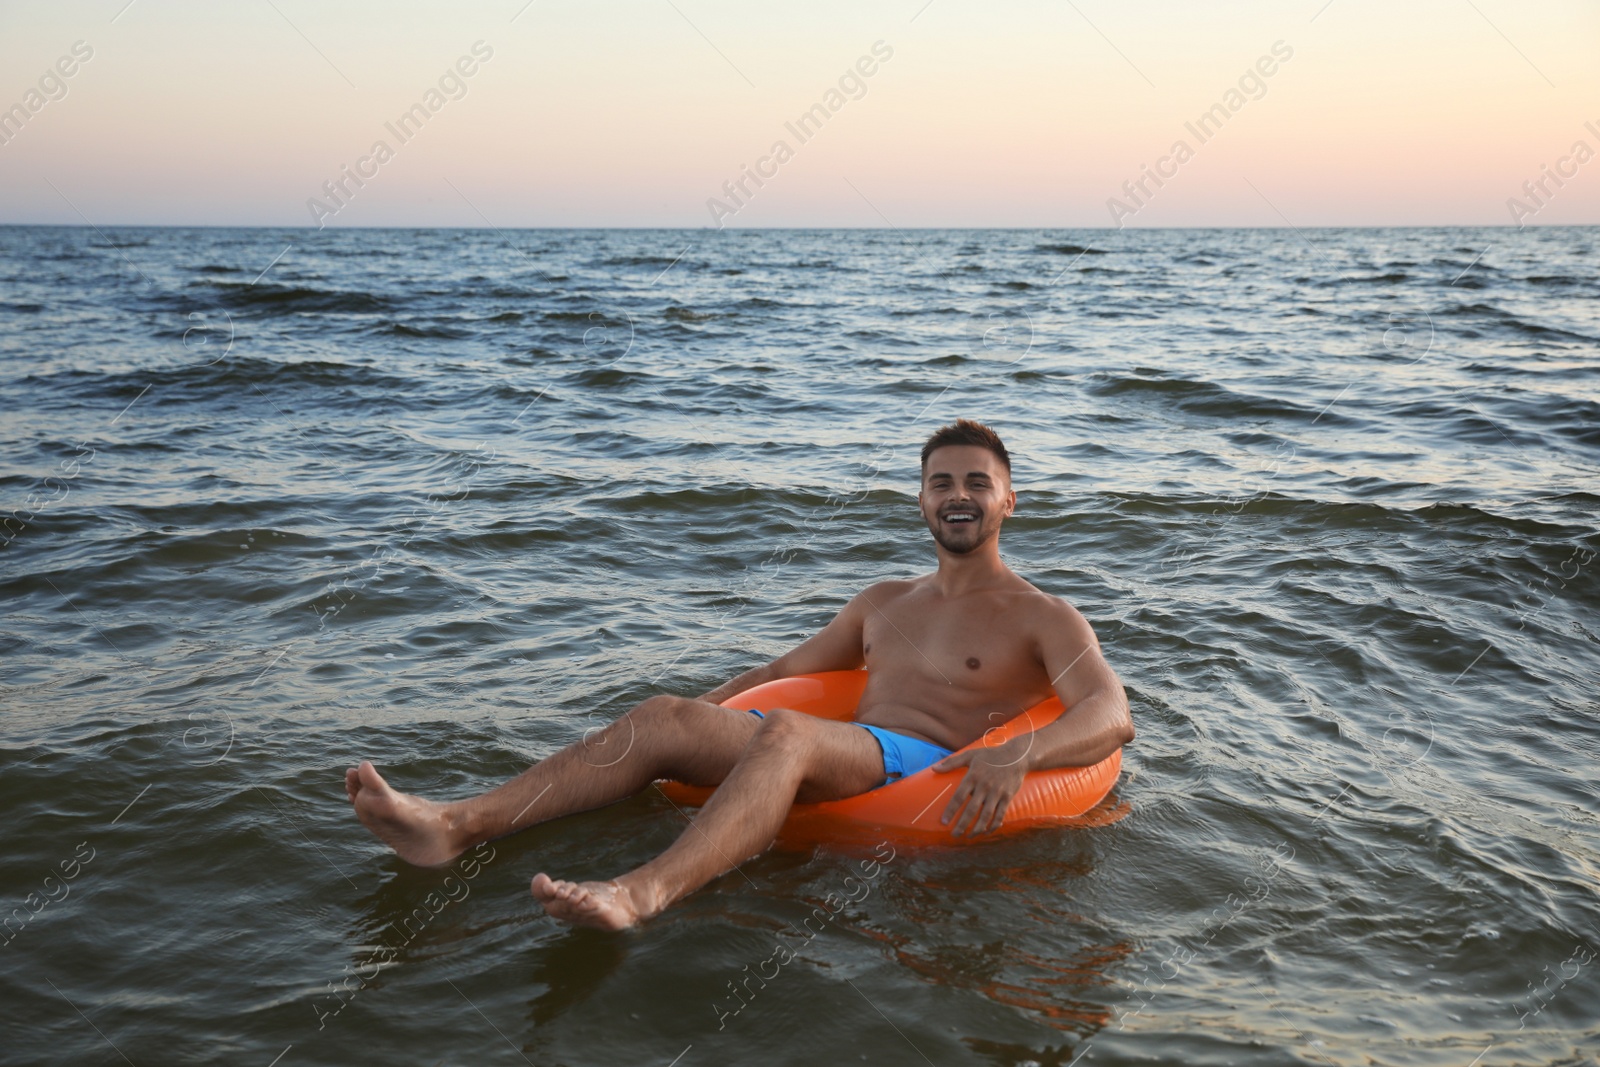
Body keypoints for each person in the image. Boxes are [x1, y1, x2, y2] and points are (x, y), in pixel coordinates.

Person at [346, 418, 1133, 930]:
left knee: (787, 733)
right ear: (920, 500)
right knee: (663, 712)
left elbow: (1109, 712)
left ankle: (639, 892)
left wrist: (1017, 752)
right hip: (850, 741)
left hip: (928, 762)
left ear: (1009, 501)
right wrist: (701, 711)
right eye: (941, 482)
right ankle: (453, 826)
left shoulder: (1043, 615)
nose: (957, 496)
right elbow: (781, 670)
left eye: (976, 483)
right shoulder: (884, 601)